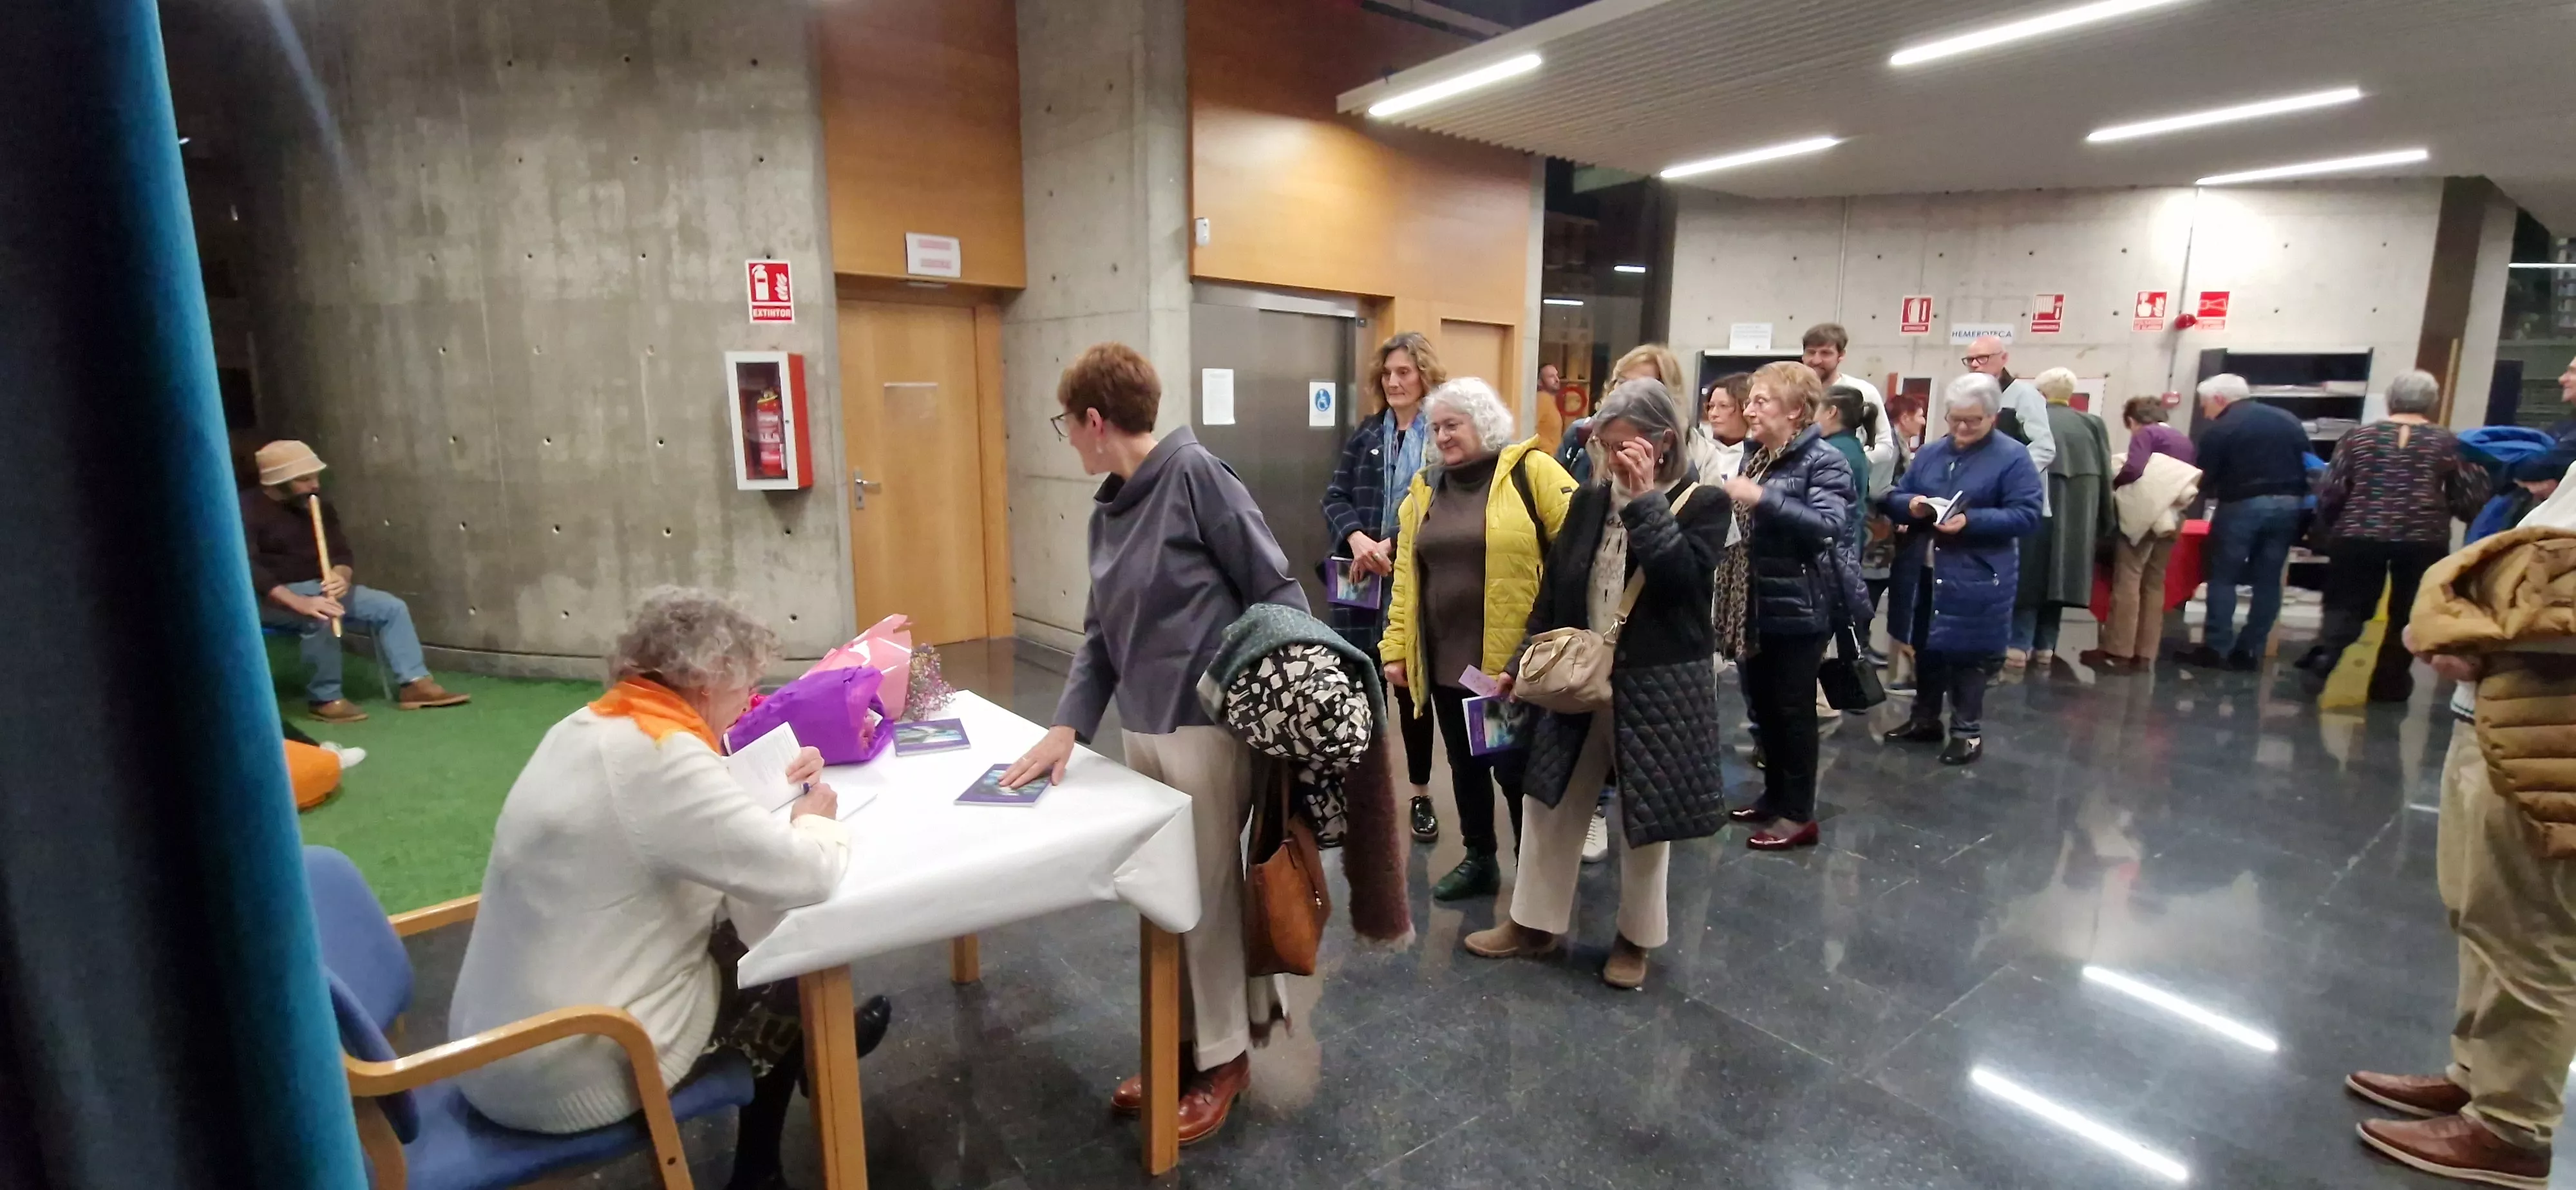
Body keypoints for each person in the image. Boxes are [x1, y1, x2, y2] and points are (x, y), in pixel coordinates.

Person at [447, 588, 889, 1190]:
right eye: (745, 690)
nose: (747, 705)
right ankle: (763, 1161)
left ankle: (817, 1051)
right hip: (571, 1070)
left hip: (493, 1042)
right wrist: (816, 815)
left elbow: (664, 823)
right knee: (791, 955)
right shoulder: (662, 760)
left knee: (749, 920)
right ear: (707, 683)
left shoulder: (593, 726)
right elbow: (804, 871)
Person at [1003, 343, 1307, 1144]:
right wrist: (1066, 726)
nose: (1065, 436)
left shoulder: (1199, 476)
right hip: (1143, 727)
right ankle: (1179, 1044)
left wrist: (1281, 713)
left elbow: (1276, 591)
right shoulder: (1111, 506)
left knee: (1199, 900)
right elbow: (1100, 634)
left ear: (1096, 421)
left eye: (1067, 423)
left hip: (1207, 730)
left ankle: (1223, 1061)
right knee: (1163, 900)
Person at [2346, 464, 2576, 1189]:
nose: (2568, 368)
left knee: (2532, 933)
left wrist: (2477, 634)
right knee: (2482, 912)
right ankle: (2481, 1076)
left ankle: (2511, 1127)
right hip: (2504, 713)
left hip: (2550, 730)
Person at [1462, 379, 1730, 989]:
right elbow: (1554, 588)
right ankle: (1533, 924)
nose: (1610, 459)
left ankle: (1634, 940)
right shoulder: (1587, 500)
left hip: (1658, 688)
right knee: (1547, 800)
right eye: (1603, 446)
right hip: (1577, 678)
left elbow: (1683, 588)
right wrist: (1519, 658)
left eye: (1623, 445)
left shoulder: (1703, 503)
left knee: (1646, 819)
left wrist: (1645, 505)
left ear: (1663, 442)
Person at [1380, 378, 1576, 901]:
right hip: (1445, 658)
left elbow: (1577, 552)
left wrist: (1547, 638)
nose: (1443, 436)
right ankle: (1480, 859)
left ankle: (1532, 875)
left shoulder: (1530, 472)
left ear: (1482, 423)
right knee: (1464, 765)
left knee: (1514, 772)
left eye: (1453, 425)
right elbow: (1406, 575)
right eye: (1437, 427)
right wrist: (1396, 646)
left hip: (1510, 664)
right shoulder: (1426, 489)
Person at [1720, 363, 1859, 849]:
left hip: (1799, 607)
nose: (1749, 409)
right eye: (1750, 400)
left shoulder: (1825, 460)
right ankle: (1774, 797)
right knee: (1764, 708)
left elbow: (1828, 526)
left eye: (1762, 401)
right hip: (1754, 603)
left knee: (1793, 712)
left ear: (1796, 410)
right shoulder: (1759, 456)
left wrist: (1761, 498)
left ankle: (1798, 815)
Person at [243, 440, 469, 722]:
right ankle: (325, 698)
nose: (315, 484)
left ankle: (415, 684)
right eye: (304, 479)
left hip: (322, 590)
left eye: (315, 477)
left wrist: (341, 576)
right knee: (323, 615)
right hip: (272, 598)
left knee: (391, 607)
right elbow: (249, 570)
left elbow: (341, 553)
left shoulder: (319, 507)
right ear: (278, 481)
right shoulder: (245, 510)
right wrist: (300, 602)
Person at [2293, 370, 2486, 701]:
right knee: (2407, 611)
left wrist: (2326, 527)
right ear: (2432, 402)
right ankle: (2389, 681)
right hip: (2423, 537)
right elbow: (2467, 495)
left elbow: (2333, 489)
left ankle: (2324, 658)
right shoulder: (2448, 442)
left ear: (2390, 399)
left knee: (2346, 604)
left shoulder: (2358, 437)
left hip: (2358, 534)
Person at [1882, 373, 2045, 764]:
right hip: (1925, 568)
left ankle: (1966, 731)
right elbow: (1897, 494)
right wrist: (1914, 505)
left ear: (1993, 417)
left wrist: (1971, 521)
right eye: (1955, 419)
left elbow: (2026, 515)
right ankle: (1924, 719)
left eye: (1972, 421)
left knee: (1968, 653)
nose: (1961, 428)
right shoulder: (1933, 452)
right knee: (1924, 646)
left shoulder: (2012, 457)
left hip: (1976, 570)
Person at [1323, 331, 1444, 844]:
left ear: (1424, 376)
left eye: (1405, 373)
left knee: (1409, 690)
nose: (1394, 382)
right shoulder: (1368, 434)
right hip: (1360, 584)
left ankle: (1420, 794)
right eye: (1388, 374)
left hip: (1415, 583)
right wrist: (1356, 539)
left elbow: (1441, 501)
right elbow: (1335, 495)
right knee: (1361, 690)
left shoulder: (1441, 435)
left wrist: (1389, 546)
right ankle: (1366, 794)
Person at [2179, 373, 2313, 670]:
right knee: (2269, 580)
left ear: (2219, 399)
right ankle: (2250, 650)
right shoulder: (2288, 420)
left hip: (2241, 506)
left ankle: (2216, 648)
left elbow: (2205, 477)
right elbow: (2310, 465)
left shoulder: (2221, 429)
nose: (2205, 412)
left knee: (2223, 576)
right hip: (2290, 506)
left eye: (2205, 405)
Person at [2083, 396, 2198, 673]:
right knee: (2154, 582)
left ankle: (2118, 650)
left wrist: (2114, 483)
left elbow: (2134, 469)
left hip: (2146, 516)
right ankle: (2146, 653)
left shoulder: (2146, 433)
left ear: (2133, 421)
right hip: (2173, 516)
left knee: (2128, 578)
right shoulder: (2184, 440)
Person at [2011, 368, 2113, 668]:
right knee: (2059, 581)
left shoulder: (2029, 421)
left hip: (2035, 511)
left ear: (2039, 394)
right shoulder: (2093, 425)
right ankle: (2047, 647)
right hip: (2078, 519)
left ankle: (2018, 645)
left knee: (2030, 576)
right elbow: (2106, 476)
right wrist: (2106, 522)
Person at [1610, 343, 1721, 482]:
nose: (1628, 392)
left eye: (1643, 386)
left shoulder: (1700, 453)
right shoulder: (1591, 439)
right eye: (1622, 382)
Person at [1802, 322, 1895, 484]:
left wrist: (1848, 461)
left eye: (1825, 353)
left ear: (1841, 355)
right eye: (1811, 352)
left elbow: (1886, 446)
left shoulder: (1863, 391)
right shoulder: (1792, 392)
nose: (1816, 360)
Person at [1953, 334, 2058, 475]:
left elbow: (2044, 448)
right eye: (1970, 360)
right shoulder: (1966, 397)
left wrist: (2007, 474)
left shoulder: (2025, 395)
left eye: (1983, 358)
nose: (1975, 364)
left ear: (2004, 358)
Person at [1702, 371, 1752, 482]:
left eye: (1724, 406)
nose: (1713, 414)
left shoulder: (1762, 455)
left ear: (1746, 408)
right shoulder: (1698, 450)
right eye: (1711, 406)